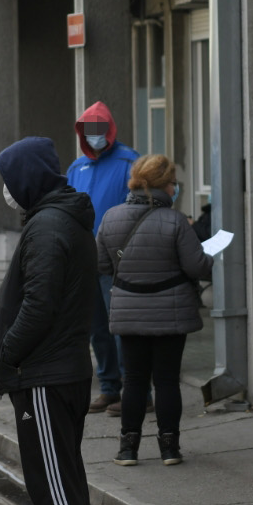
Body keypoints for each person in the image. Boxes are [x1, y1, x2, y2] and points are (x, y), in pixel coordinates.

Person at [0, 137, 98, 505]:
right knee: (53, 485)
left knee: (57, 489)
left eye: (10, 181)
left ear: (28, 179)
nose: (7, 192)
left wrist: (9, 352)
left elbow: (39, 306)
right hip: (54, 371)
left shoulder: (49, 225)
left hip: (46, 374)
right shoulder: (55, 219)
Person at [96, 154, 212, 467]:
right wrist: (207, 254)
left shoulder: (111, 217)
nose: (176, 188)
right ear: (163, 184)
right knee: (166, 381)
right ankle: (170, 449)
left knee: (132, 380)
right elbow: (198, 266)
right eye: (174, 182)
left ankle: (128, 449)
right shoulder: (175, 221)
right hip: (170, 312)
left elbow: (104, 264)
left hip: (129, 312)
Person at [66, 101, 140, 414]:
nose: (94, 136)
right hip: (85, 261)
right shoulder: (76, 168)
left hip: (118, 260)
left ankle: (135, 389)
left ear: (109, 130)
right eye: (88, 131)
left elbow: (142, 206)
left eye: (98, 130)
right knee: (97, 328)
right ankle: (109, 387)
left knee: (121, 326)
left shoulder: (129, 161)